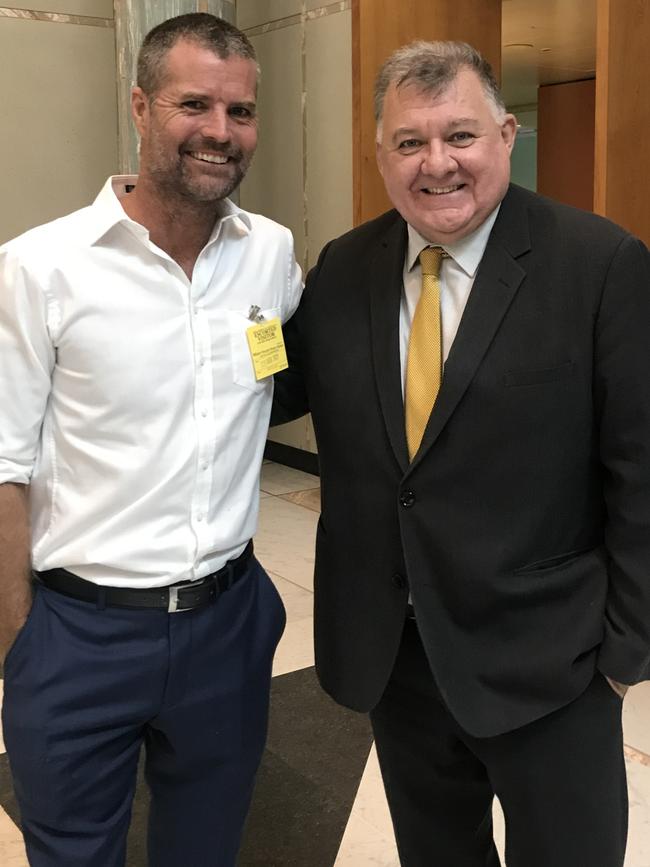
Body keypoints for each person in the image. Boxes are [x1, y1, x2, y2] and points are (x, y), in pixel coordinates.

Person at [273, 40, 650, 867]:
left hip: (552, 666)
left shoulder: (599, 266)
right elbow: (270, 390)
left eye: (461, 136)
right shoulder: (343, 270)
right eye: (409, 142)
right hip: (398, 663)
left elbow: (641, 473)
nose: (435, 163)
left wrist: (625, 653)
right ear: (381, 153)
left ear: (507, 135)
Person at [0, 13, 301, 867]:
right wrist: (20, 643)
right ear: (140, 105)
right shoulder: (40, 268)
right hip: (80, 633)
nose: (219, 131)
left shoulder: (270, 254)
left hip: (228, 623)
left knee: (205, 849)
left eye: (240, 111)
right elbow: (2, 466)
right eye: (193, 104)